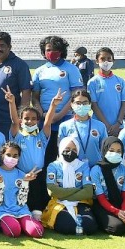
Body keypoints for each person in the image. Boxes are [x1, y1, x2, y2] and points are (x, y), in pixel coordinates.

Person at [31, 36, 82, 165]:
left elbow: (76, 96)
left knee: (66, 157)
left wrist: (59, 115)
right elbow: (35, 97)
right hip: (44, 122)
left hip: (66, 119)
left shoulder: (72, 69)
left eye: (55, 49)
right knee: (45, 158)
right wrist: (42, 114)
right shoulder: (39, 71)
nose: (51, 52)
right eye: (48, 49)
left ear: (61, 51)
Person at [89, 136, 125, 235]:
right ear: (105, 150)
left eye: (119, 151)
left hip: (119, 202)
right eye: (111, 150)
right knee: (117, 228)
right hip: (101, 204)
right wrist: (117, 212)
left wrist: (124, 212)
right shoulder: (96, 170)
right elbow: (101, 198)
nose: (115, 153)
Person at [0, 142, 44, 238]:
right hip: (3, 211)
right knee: (14, 231)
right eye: (8, 155)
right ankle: (14, 224)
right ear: (2, 155)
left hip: (21, 211)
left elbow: (21, 202)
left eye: (15, 156)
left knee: (37, 231)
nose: (12, 158)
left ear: (19, 157)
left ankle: (21, 223)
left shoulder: (22, 174)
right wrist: (0, 183)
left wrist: (25, 182)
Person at [45, 136, 96, 235]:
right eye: (67, 149)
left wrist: (63, 194)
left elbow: (88, 192)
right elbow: (52, 191)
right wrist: (76, 190)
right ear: (61, 149)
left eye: (74, 150)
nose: (70, 152)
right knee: (66, 225)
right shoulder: (53, 166)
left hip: (81, 201)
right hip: (59, 202)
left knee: (89, 225)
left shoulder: (83, 166)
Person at [53, 89, 107, 166]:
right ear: (72, 104)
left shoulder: (100, 126)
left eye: (85, 103)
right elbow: (61, 151)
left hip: (95, 168)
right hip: (73, 168)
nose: (81, 106)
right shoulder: (64, 126)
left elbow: (104, 151)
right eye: (78, 103)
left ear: (90, 104)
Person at [87, 47, 125, 136]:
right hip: (99, 126)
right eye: (103, 59)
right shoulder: (92, 82)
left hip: (118, 127)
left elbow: (124, 103)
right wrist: (106, 125)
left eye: (109, 59)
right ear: (97, 61)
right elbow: (94, 105)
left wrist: (118, 123)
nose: (106, 62)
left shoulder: (120, 81)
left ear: (113, 61)